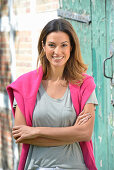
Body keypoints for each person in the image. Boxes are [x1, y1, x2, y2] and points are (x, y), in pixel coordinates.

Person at [6, 18, 98, 170]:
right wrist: (71, 133)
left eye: (64, 45)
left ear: (71, 48)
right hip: (36, 166)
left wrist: (36, 131)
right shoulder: (24, 85)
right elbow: (21, 136)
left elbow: (85, 133)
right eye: (51, 45)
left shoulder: (85, 84)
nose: (57, 51)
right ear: (43, 46)